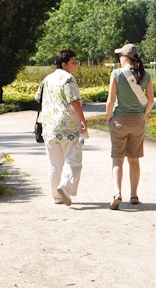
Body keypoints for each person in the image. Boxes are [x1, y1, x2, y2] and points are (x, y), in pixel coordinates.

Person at [35, 49, 88, 206]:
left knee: (54, 163)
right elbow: (74, 101)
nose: (75, 65)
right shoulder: (68, 79)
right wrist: (83, 120)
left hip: (49, 126)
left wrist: (52, 106)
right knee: (74, 160)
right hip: (68, 126)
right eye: (73, 62)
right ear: (64, 64)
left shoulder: (47, 79)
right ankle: (64, 187)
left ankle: (56, 197)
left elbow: (38, 98)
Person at [105, 43, 154, 210]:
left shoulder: (116, 74)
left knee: (118, 159)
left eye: (120, 56)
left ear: (125, 57)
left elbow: (111, 100)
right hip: (137, 121)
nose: (119, 58)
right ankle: (134, 195)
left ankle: (117, 193)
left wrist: (108, 118)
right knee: (134, 160)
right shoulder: (145, 75)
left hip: (119, 120)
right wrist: (142, 115)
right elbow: (151, 101)